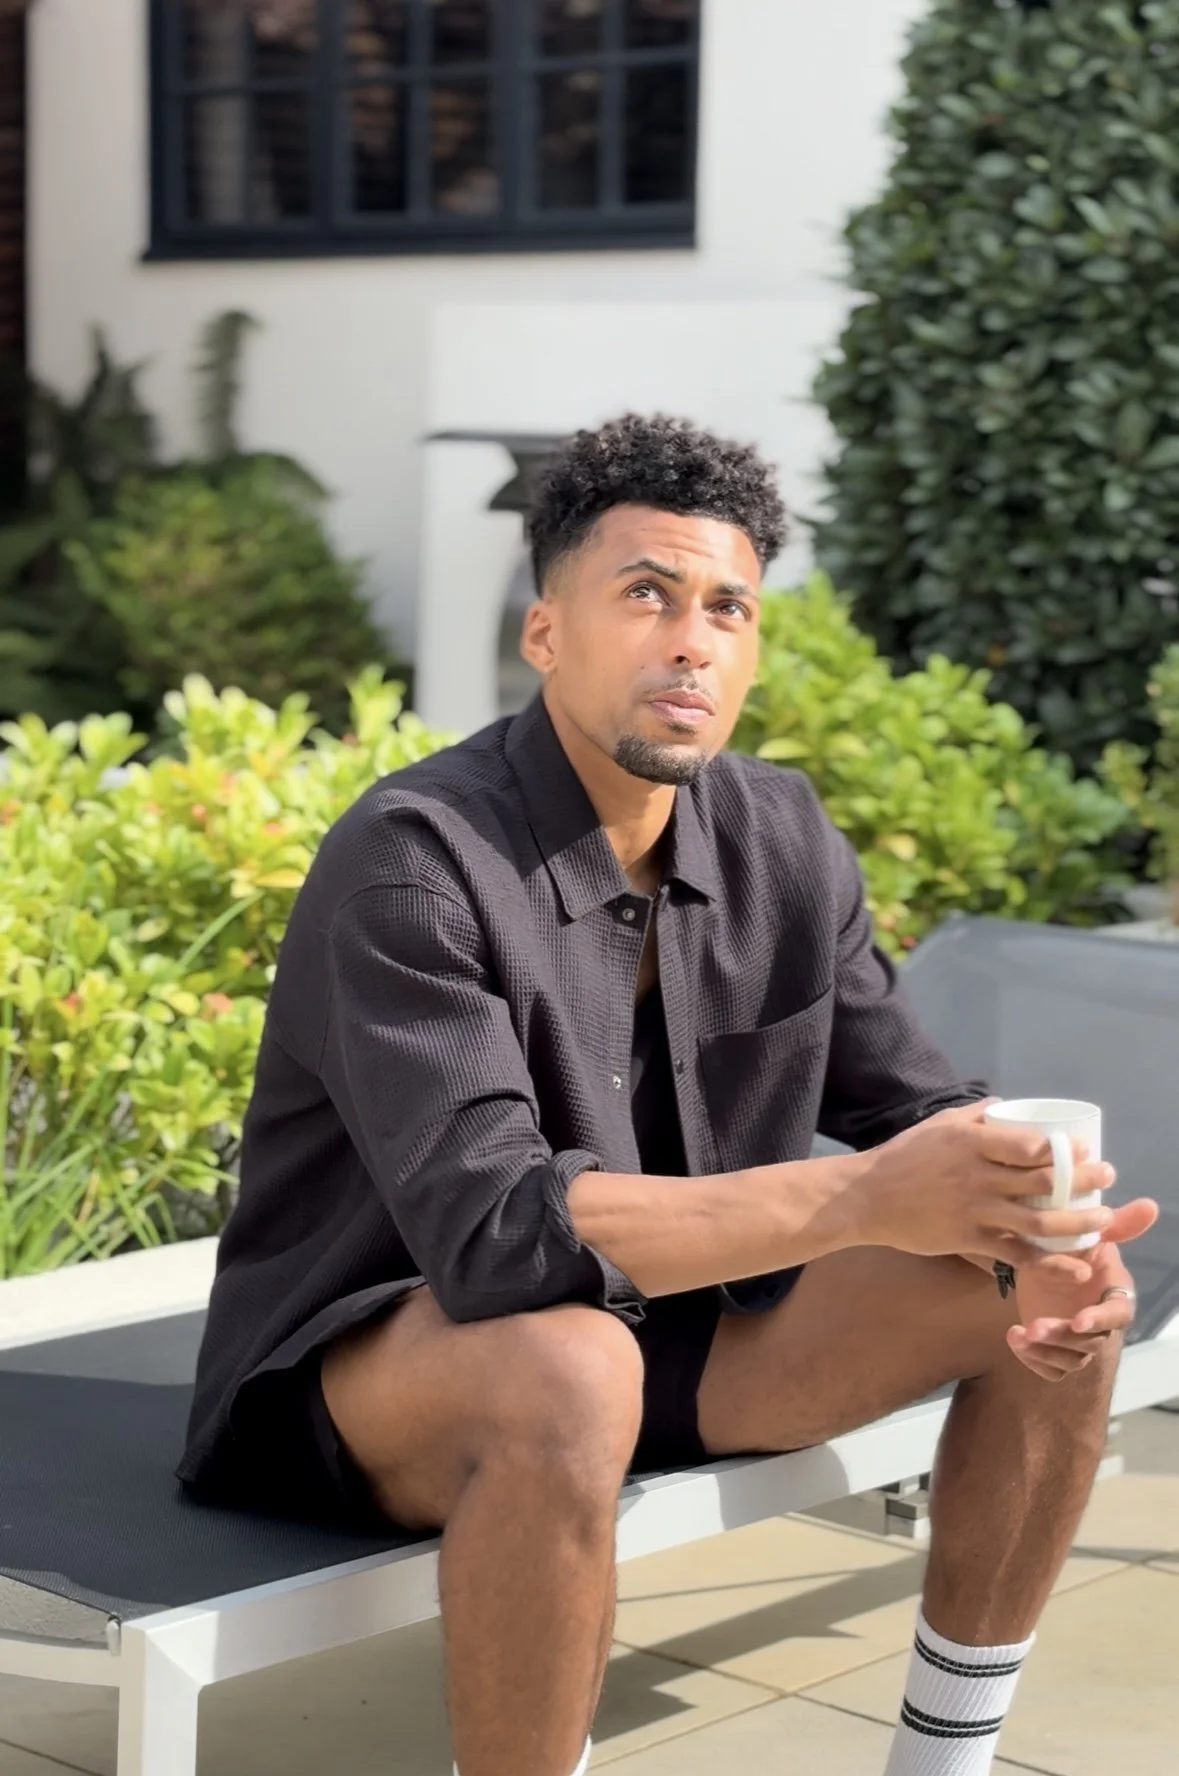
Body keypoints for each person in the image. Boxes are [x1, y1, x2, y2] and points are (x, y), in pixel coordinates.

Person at [180, 415, 1157, 1776]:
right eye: (644, 594)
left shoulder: (782, 835)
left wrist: (1032, 1230)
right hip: (387, 1372)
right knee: (570, 1363)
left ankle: (944, 1758)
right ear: (543, 634)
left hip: (683, 1344)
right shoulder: (413, 865)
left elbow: (911, 1104)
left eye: (725, 607)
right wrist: (859, 1198)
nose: (689, 640)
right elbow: (498, 1242)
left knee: (1039, 1294)